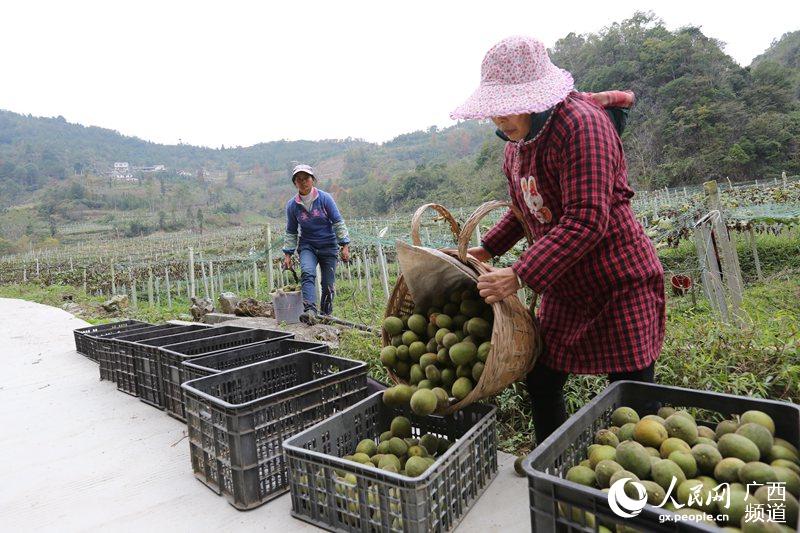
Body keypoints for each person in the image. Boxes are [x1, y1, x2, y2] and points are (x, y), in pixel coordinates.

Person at [450, 36, 665, 443]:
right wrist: (489, 247)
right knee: (542, 376)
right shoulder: (517, 145)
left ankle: (633, 481)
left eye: (507, 106)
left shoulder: (583, 126)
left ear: (537, 97)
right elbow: (526, 208)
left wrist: (519, 273)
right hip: (566, 284)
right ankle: (554, 457)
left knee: (633, 397)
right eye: (493, 109)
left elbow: (586, 219)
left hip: (619, 279)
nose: (499, 119)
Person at [282, 163, 351, 323]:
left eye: (306, 178)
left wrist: (344, 245)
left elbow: (337, 222)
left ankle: (326, 315)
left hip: (328, 245)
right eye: (299, 180)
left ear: (312, 180)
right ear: (295, 183)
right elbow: (291, 230)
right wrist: (288, 254)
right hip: (308, 246)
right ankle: (310, 311)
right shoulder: (292, 205)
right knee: (307, 273)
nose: (303, 182)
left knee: (328, 282)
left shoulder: (325, 198)